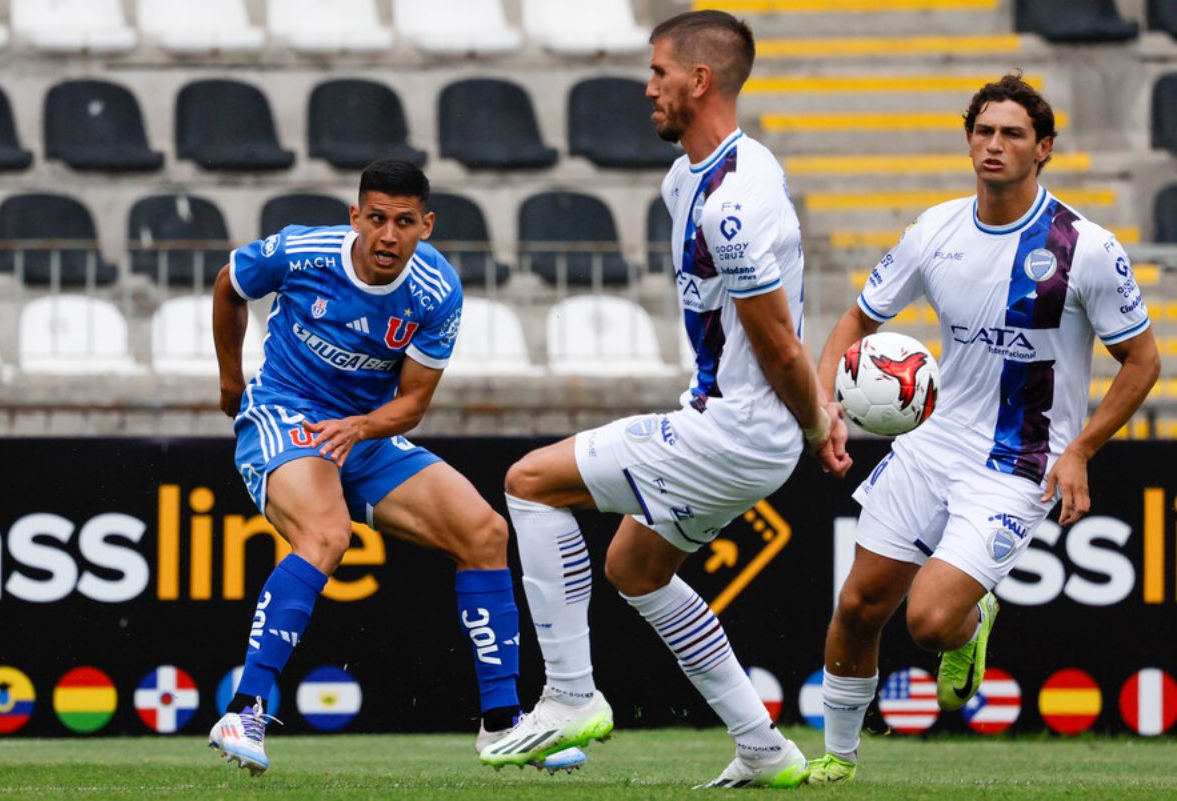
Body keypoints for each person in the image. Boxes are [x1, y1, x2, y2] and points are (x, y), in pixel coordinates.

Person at [479, 10, 849, 788]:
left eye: (657, 72)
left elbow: (780, 343)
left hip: (736, 431)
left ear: (699, 80)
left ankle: (571, 695)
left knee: (528, 483)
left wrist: (818, 423)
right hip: (739, 424)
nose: (647, 88)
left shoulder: (733, 205)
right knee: (634, 567)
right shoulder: (690, 178)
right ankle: (762, 744)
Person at [807, 74, 1160, 785]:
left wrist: (1082, 449)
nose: (994, 145)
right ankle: (838, 761)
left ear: (1045, 149)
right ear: (969, 140)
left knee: (931, 620)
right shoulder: (934, 229)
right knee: (857, 604)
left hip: (1017, 460)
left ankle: (973, 622)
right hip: (933, 442)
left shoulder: (1084, 248)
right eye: (983, 131)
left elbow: (1143, 361)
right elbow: (856, 320)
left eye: (1012, 134)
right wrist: (826, 404)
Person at [208, 159, 582, 775]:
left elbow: (411, 405)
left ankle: (501, 724)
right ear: (355, 217)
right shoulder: (303, 252)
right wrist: (229, 378)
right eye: (376, 219)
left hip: (366, 432)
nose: (388, 235)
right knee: (326, 535)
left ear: (426, 225)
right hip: (285, 413)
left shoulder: (436, 291)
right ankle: (244, 709)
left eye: (404, 222)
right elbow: (229, 283)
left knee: (485, 533)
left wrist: (360, 427)